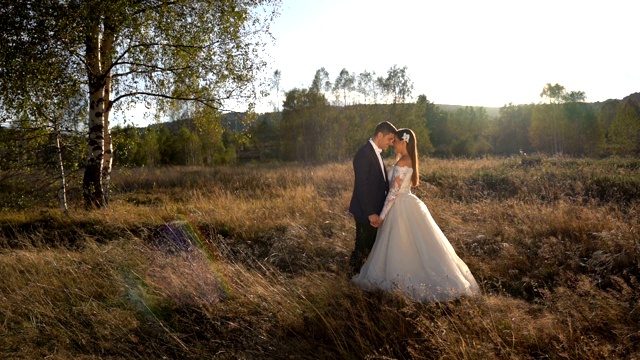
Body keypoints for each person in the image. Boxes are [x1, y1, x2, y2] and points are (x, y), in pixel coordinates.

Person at [351, 128, 480, 302]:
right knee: (407, 243)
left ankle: (403, 278)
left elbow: (393, 193)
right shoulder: (405, 160)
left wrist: (381, 215)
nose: (392, 144)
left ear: (404, 142)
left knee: (402, 243)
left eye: (395, 141)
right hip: (405, 203)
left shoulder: (404, 162)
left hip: (400, 206)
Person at [348, 121, 398, 275]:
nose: (390, 143)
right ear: (380, 135)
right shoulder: (364, 154)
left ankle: (361, 275)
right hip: (366, 212)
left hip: (373, 210)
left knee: (369, 247)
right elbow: (362, 186)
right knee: (362, 248)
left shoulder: (374, 152)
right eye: (389, 139)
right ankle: (351, 277)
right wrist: (371, 213)